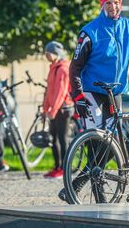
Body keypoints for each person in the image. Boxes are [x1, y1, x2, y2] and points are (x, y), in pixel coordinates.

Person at [60, 0, 129, 202]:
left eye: (116, 3)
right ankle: (98, 197)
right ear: (102, 5)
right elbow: (75, 67)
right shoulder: (90, 31)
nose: (113, 7)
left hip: (114, 92)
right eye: (108, 3)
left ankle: (75, 186)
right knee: (96, 142)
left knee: (112, 145)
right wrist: (78, 96)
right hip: (91, 92)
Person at [42, 41, 74, 180]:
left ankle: (65, 169)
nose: (46, 56)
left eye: (48, 53)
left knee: (62, 139)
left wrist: (53, 110)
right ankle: (57, 167)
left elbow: (60, 93)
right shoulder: (53, 68)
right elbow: (49, 90)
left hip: (63, 109)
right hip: (55, 109)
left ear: (56, 54)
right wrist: (45, 109)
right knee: (52, 139)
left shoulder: (62, 69)